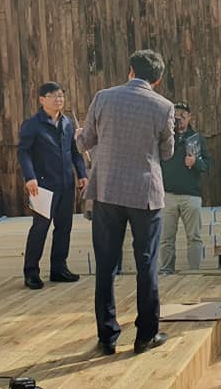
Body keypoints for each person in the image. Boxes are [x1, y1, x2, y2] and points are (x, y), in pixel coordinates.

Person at [77, 49, 175, 356]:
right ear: (157, 79)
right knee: (147, 265)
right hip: (145, 194)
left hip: (107, 190)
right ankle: (146, 336)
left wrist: (79, 135)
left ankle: (107, 336)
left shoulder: (103, 97)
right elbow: (168, 151)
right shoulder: (164, 106)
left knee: (106, 265)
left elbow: (84, 142)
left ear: (130, 70)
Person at [17, 82, 88, 290]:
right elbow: (23, 152)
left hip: (66, 184)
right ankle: (31, 272)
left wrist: (82, 174)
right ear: (42, 100)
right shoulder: (33, 124)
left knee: (64, 227)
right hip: (43, 185)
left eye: (61, 96)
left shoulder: (67, 123)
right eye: (53, 96)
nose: (59, 100)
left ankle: (59, 268)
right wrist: (30, 177)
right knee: (40, 228)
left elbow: (74, 151)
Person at [159, 102, 210, 274]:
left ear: (190, 117)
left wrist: (196, 162)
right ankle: (166, 270)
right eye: (176, 114)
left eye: (183, 114)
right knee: (166, 238)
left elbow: (207, 165)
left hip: (191, 196)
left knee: (194, 237)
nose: (179, 118)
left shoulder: (197, 138)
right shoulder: (164, 138)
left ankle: (194, 272)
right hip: (168, 195)